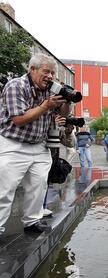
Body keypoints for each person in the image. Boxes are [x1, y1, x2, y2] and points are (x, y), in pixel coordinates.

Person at [0, 53, 70, 235]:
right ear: (32, 69)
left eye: (53, 73)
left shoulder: (51, 89)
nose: (50, 77)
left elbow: (63, 113)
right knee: (5, 189)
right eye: (46, 72)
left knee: (38, 185)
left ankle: (32, 221)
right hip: (13, 144)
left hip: (39, 145)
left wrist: (65, 99)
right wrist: (45, 106)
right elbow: (19, 119)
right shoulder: (16, 85)